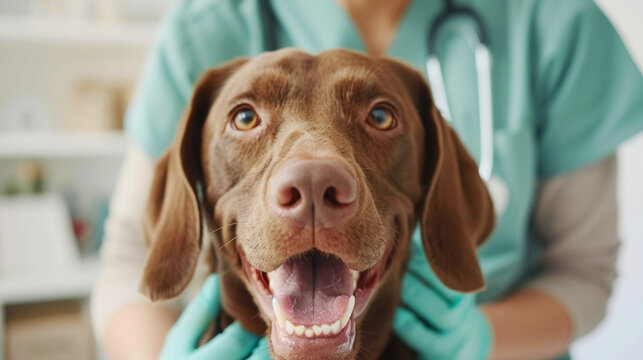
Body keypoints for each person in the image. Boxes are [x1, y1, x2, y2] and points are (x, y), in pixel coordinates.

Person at [90, 0, 643, 359]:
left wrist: (480, 340)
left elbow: (584, 272)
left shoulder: (553, 21)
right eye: (246, 117)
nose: (310, 179)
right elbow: (131, 260)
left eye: (381, 117)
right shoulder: (206, 25)